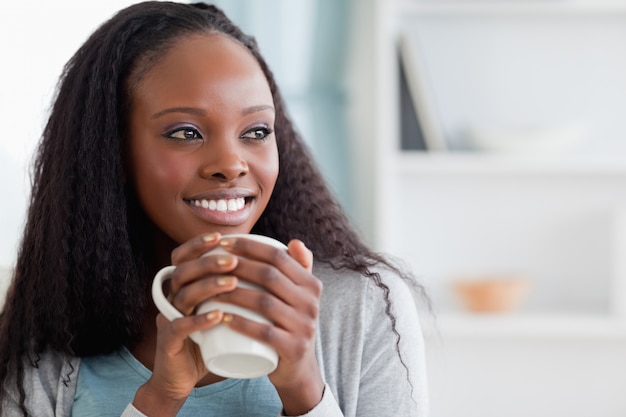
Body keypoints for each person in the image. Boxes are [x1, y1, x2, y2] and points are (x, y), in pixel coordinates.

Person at [0, 2, 430, 416]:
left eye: (256, 130)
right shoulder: (46, 330)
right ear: (113, 152)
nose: (230, 165)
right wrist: (160, 398)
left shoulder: (365, 307)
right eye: (186, 132)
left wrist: (304, 390)